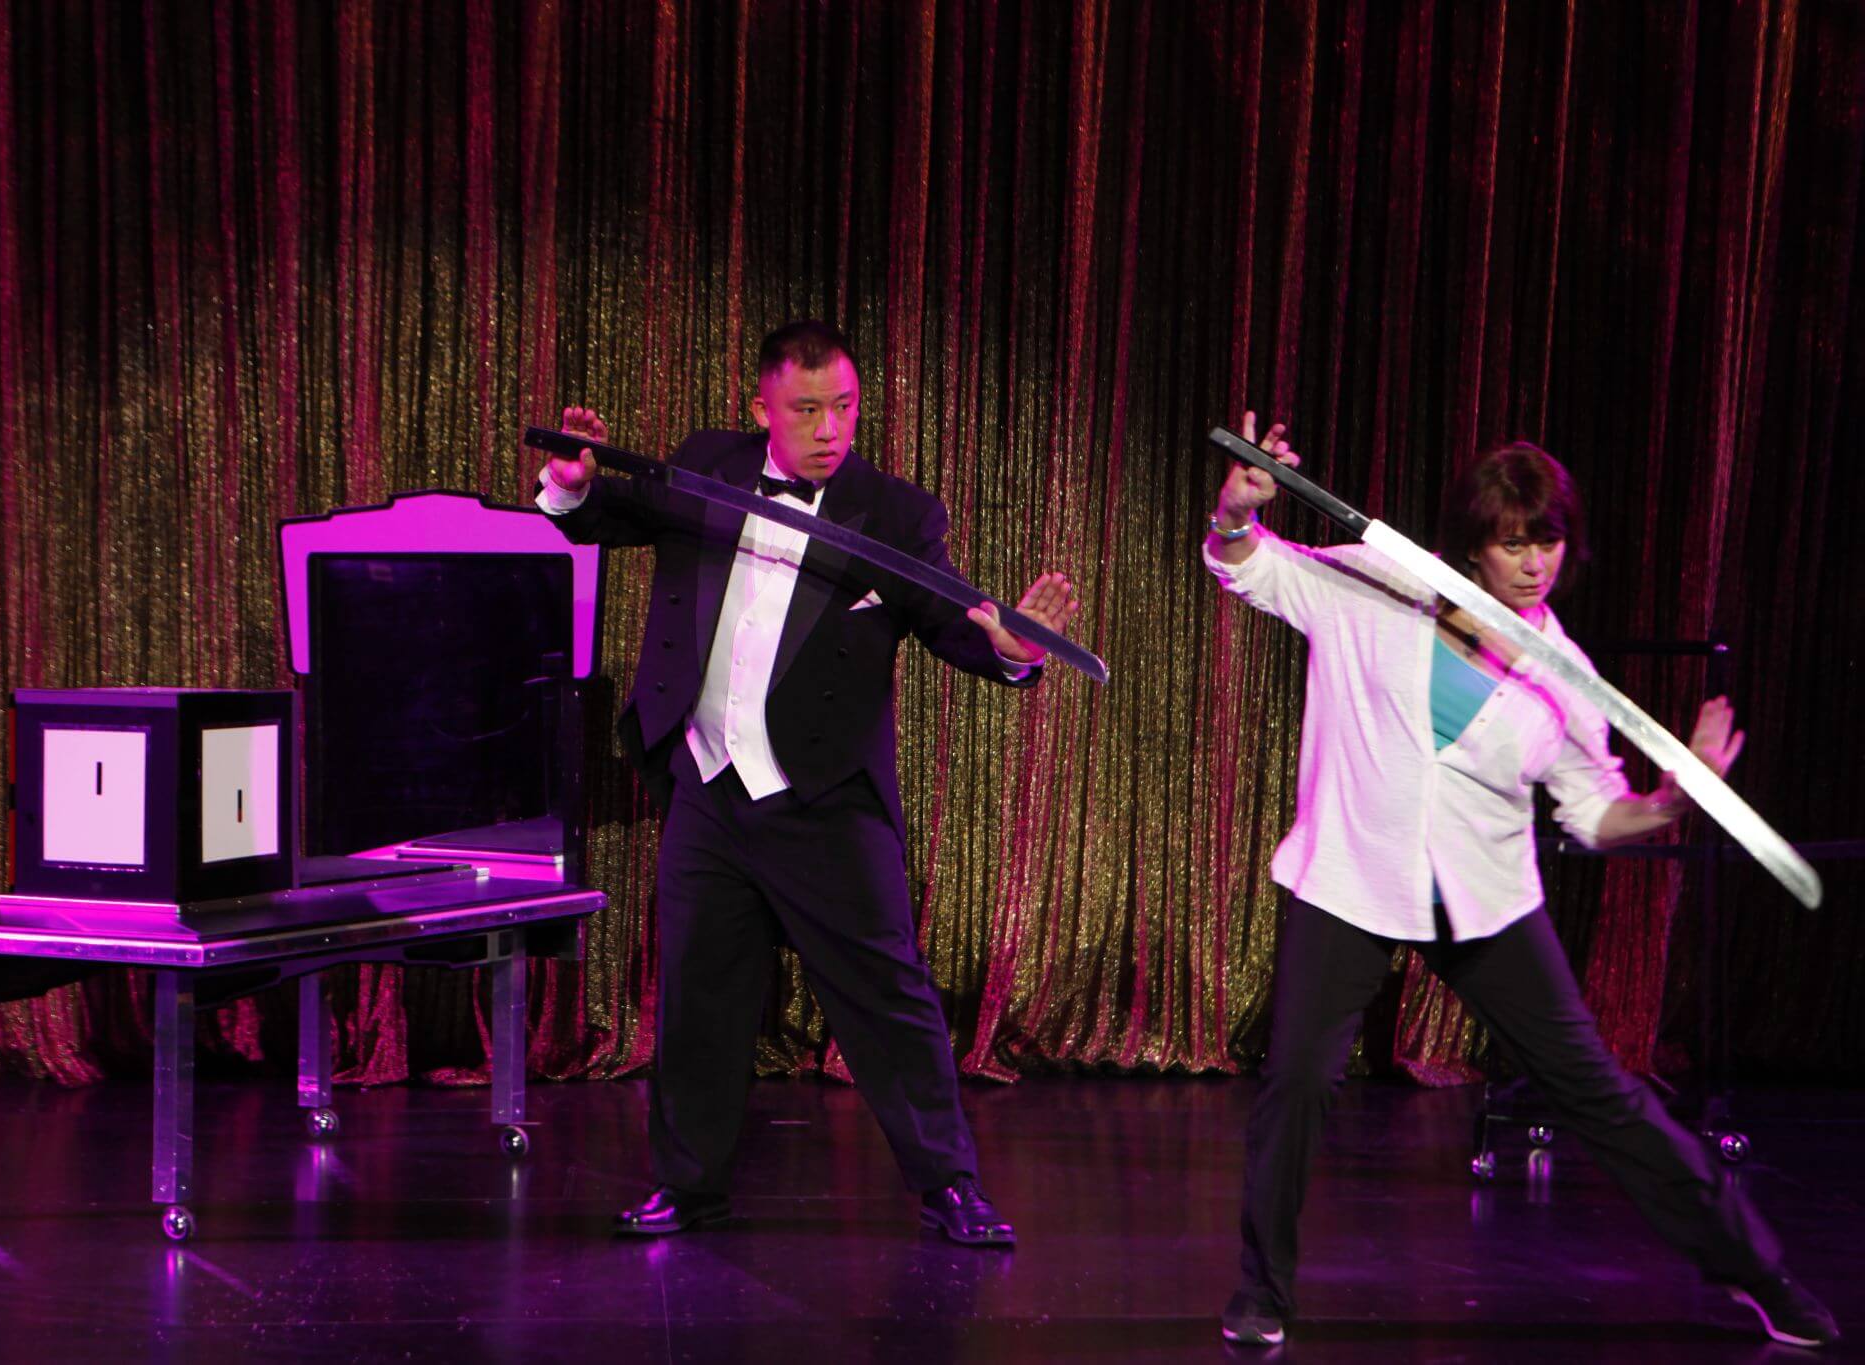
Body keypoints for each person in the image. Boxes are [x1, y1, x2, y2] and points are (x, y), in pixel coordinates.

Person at [1203, 414, 1839, 1348]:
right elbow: (1252, 567)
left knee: (1599, 1092)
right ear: (1475, 544)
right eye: (1513, 542)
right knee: (1296, 1081)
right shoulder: (1380, 584)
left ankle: (1759, 1273)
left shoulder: (1564, 675)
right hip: (1350, 875)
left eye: (1548, 540)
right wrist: (1234, 516)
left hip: (1484, 897)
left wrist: (1669, 801)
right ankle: (1263, 1289)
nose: (1534, 561)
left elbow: (1597, 810)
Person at [535, 320, 1078, 1245]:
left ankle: (949, 1184)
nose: (830, 428)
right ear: (762, 410)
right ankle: (688, 1185)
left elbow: (947, 618)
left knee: (887, 996)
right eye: (807, 409)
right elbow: (608, 517)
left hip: (823, 796)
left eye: (845, 407)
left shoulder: (896, 512)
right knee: (699, 998)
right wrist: (571, 485)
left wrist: (1013, 650)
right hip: (709, 784)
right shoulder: (707, 465)